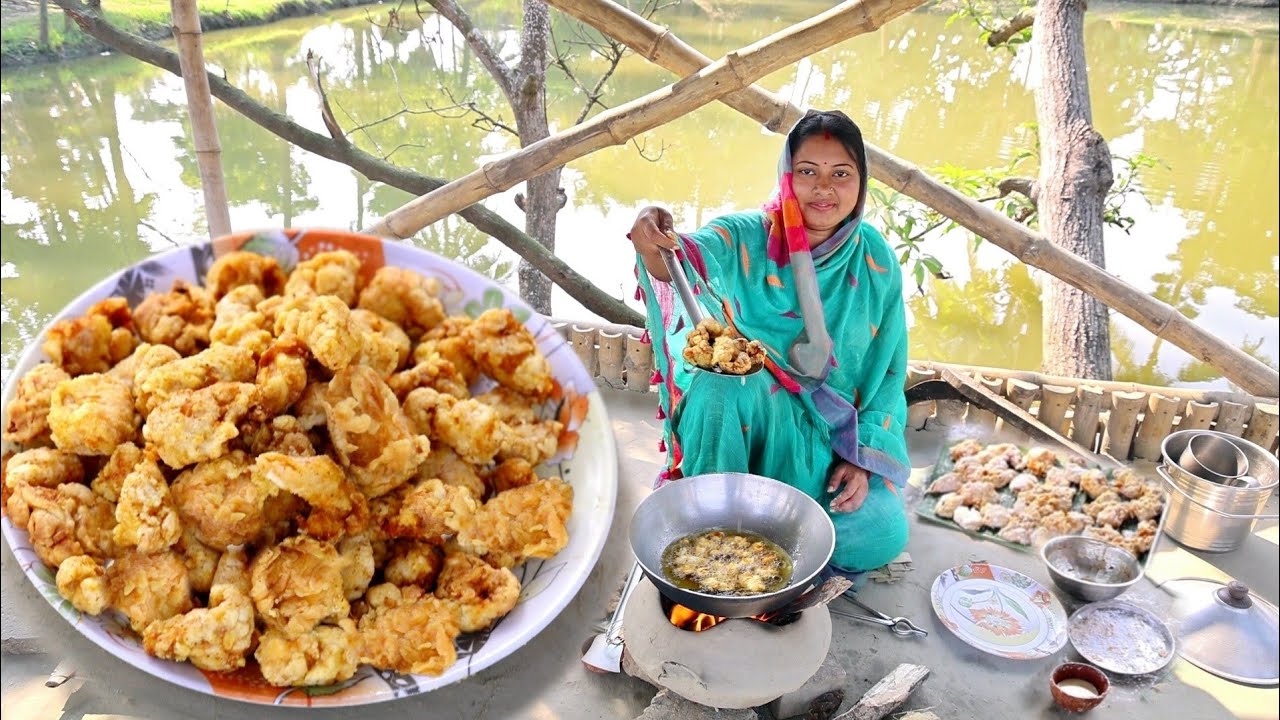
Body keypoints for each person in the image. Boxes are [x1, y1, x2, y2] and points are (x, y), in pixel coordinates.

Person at [627, 109, 910, 583]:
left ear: (862, 182)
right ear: (786, 175)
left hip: (826, 442)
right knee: (718, 387)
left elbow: (887, 373)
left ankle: (765, 539)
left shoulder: (874, 258)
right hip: (749, 424)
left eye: (841, 174)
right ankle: (716, 532)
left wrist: (859, 461)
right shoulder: (747, 237)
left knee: (884, 531)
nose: (824, 189)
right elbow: (677, 259)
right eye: (808, 172)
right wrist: (650, 235)